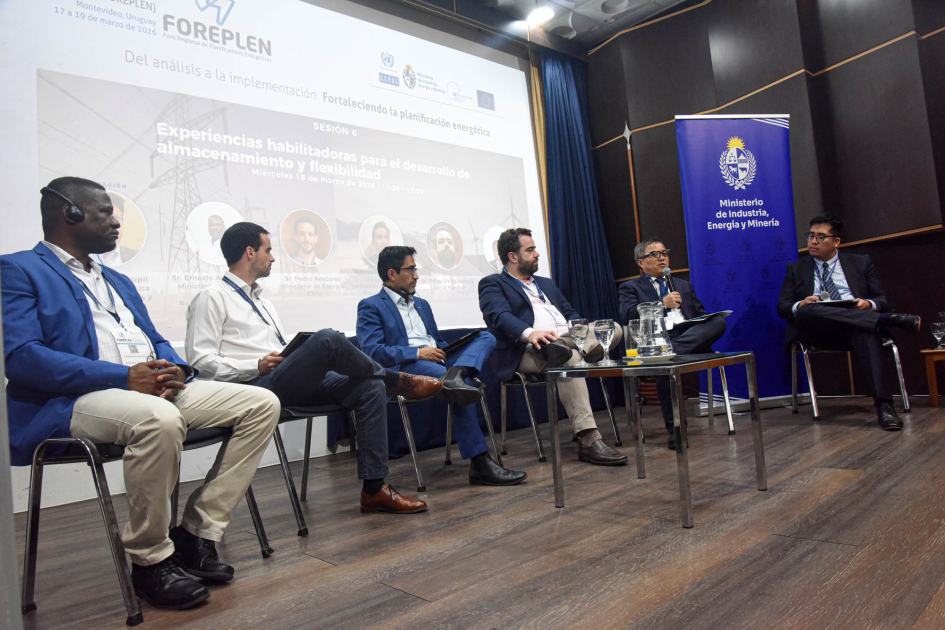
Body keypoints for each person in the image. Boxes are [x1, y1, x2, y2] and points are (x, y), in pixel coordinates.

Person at [2, 177, 282, 610]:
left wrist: (176, 369)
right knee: (160, 420)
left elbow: (154, 338)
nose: (116, 223)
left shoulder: (116, 279)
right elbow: (22, 357)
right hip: (76, 398)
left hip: (147, 390)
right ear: (69, 214)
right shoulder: (19, 269)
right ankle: (151, 561)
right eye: (105, 213)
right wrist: (120, 376)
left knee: (262, 403)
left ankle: (196, 532)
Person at [185, 222, 441, 515]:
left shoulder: (264, 302)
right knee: (328, 339)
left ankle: (373, 490)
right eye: (268, 250)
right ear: (249, 252)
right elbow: (200, 362)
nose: (272, 257)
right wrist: (253, 364)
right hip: (253, 387)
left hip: (285, 381)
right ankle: (397, 379)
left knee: (370, 386)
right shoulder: (212, 297)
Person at [357, 246, 527, 486]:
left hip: (438, 358)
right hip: (408, 367)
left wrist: (453, 349)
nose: (417, 275)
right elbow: (373, 352)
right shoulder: (371, 305)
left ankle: (457, 374)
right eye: (411, 269)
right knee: (461, 387)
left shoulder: (423, 304)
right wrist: (417, 352)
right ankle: (480, 463)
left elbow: (438, 342)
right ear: (392, 273)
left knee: (486, 337)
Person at [478, 228, 628, 466]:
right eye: (530, 250)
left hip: (564, 339)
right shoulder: (493, 283)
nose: (537, 254)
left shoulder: (546, 284)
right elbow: (499, 316)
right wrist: (530, 334)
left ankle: (573, 348)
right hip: (527, 350)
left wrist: (581, 326)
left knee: (615, 329)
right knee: (567, 360)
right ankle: (589, 440)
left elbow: (569, 314)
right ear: (513, 256)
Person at [777, 213, 920, 430]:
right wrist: (801, 304)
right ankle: (887, 320)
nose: (813, 242)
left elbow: (882, 299)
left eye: (820, 237)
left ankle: (885, 407)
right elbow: (783, 307)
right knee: (807, 311)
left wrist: (868, 304)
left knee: (866, 331)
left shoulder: (861, 262)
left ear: (836, 241)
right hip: (818, 329)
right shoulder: (796, 269)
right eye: (810, 236)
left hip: (855, 326)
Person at [618, 239, 727, 449]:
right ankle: (677, 430)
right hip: (657, 338)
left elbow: (702, 316)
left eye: (664, 253)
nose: (662, 258)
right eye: (655, 254)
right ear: (640, 263)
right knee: (666, 372)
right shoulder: (630, 287)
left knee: (718, 322)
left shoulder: (683, 285)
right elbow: (629, 315)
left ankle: (671, 353)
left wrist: (699, 323)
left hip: (686, 338)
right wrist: (661, 305)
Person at [94, 195, 139, 266]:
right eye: (106, 218)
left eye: (117, 218)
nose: (114, 223)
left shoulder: (133, 255)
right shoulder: (80, 256)